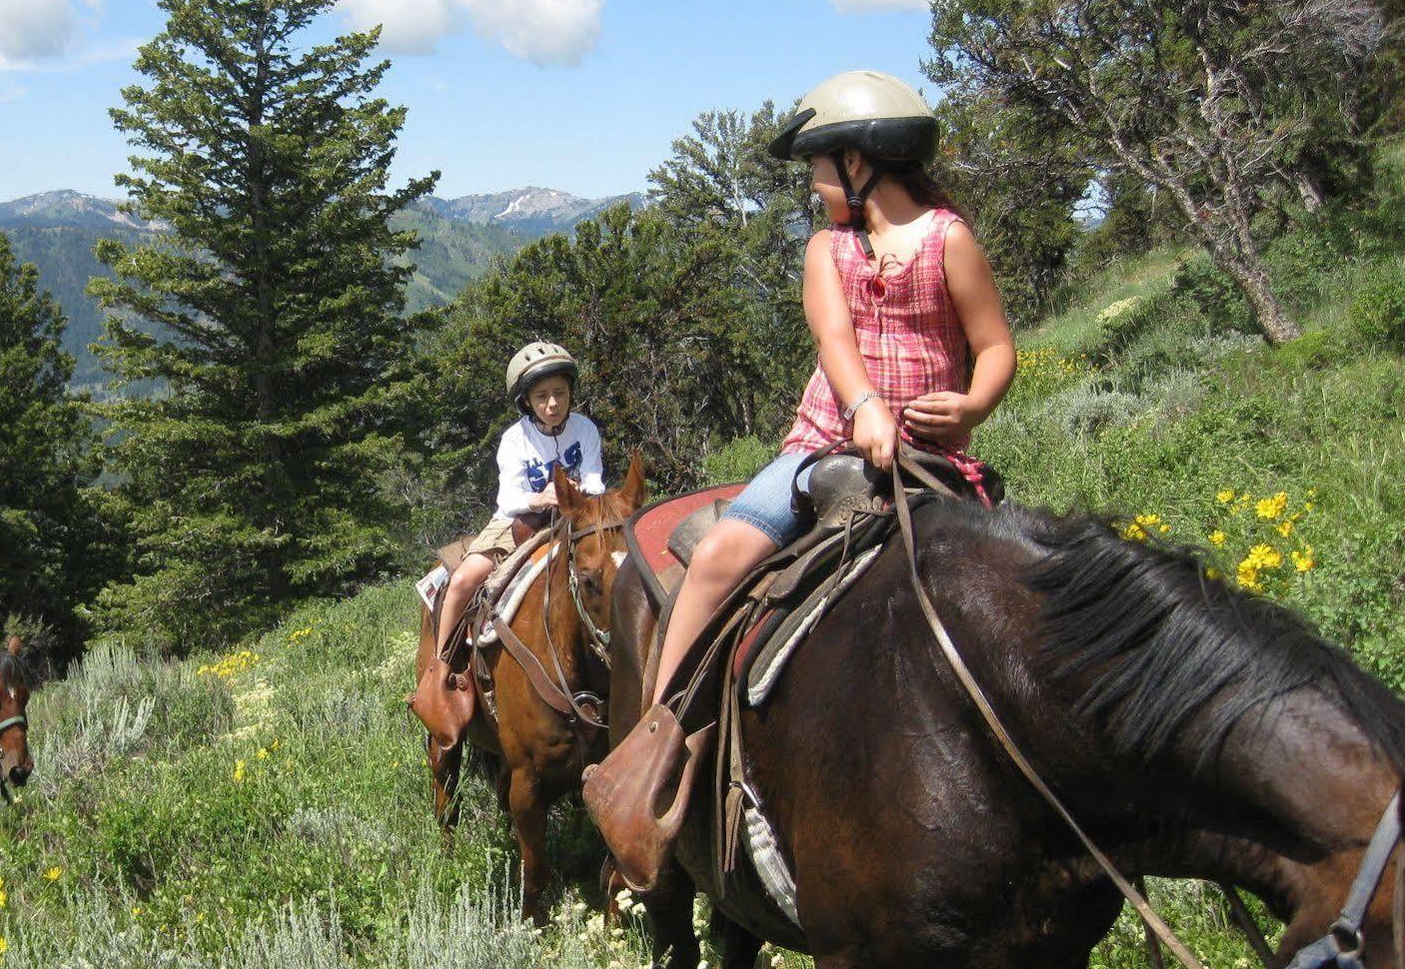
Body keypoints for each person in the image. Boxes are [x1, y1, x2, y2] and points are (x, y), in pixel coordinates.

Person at [605, 70, 1015, 764]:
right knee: (715, 558)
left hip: (929, 454)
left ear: (856, 162)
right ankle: (654, 744)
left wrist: (973, 403)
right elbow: (833, 337)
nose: (812, 185)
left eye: (817, 169)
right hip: (822, 444)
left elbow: (994, 343)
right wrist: (863, 409)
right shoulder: (827, 248)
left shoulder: (948, 240)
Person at [411, 341, 606, 750]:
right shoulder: (514, 440)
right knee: (465, 578)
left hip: (575, 518)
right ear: (526, 401)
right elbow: (509, 499)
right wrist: (543, 498)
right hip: (519, 522)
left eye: (560, 393)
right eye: (542, 396)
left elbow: (594, 480)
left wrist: (577, 498)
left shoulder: (585, 429)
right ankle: (441, 670)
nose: (553, 403)